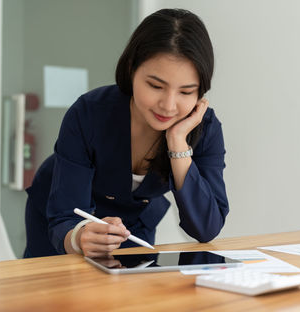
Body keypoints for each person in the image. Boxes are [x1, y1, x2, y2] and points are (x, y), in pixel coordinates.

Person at [23, 8, 229, 258]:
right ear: (132, 69)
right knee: (54, 293)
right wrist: (79, 237)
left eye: (186, 92)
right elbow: (65, 215)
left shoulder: (203, 128)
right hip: (63, 221)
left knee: (129, 294)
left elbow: (207, 228)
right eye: (155, 86)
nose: (169, 105)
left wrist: (177, 144)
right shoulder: (89, 113)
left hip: (132, 226)